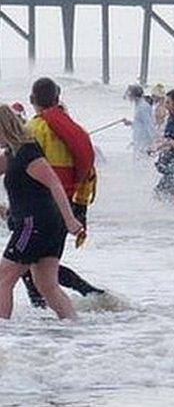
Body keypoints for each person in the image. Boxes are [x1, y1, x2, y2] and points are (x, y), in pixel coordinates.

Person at [21, 78, 106, 307]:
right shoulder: (73, 129)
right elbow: (86, 171)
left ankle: (80, 297)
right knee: (39, 265)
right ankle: (84, 298)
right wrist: (79, 209)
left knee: (28, 265)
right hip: (65, 203)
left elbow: (21, 168)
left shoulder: (33, 128)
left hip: (39, 207)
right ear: (58, 99)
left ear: (32, 100)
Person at [0, 105, 86, 320]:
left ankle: (3, 333)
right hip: (46, 225)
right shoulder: (12, 154)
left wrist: (70, 220)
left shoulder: (28, 152)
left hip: (35, 225)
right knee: (47, 286)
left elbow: (54, 184)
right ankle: (75, 328)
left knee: (3, 278)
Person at [123, 84, 157, 160]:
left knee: (142, 161)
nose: (128, 97)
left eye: (130, 94)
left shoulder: (143, 107)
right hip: (138, 140)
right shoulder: (138, 105)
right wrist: (130, 123)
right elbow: (140, 123)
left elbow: (149, 124)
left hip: (144, 141)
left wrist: (153, 142)